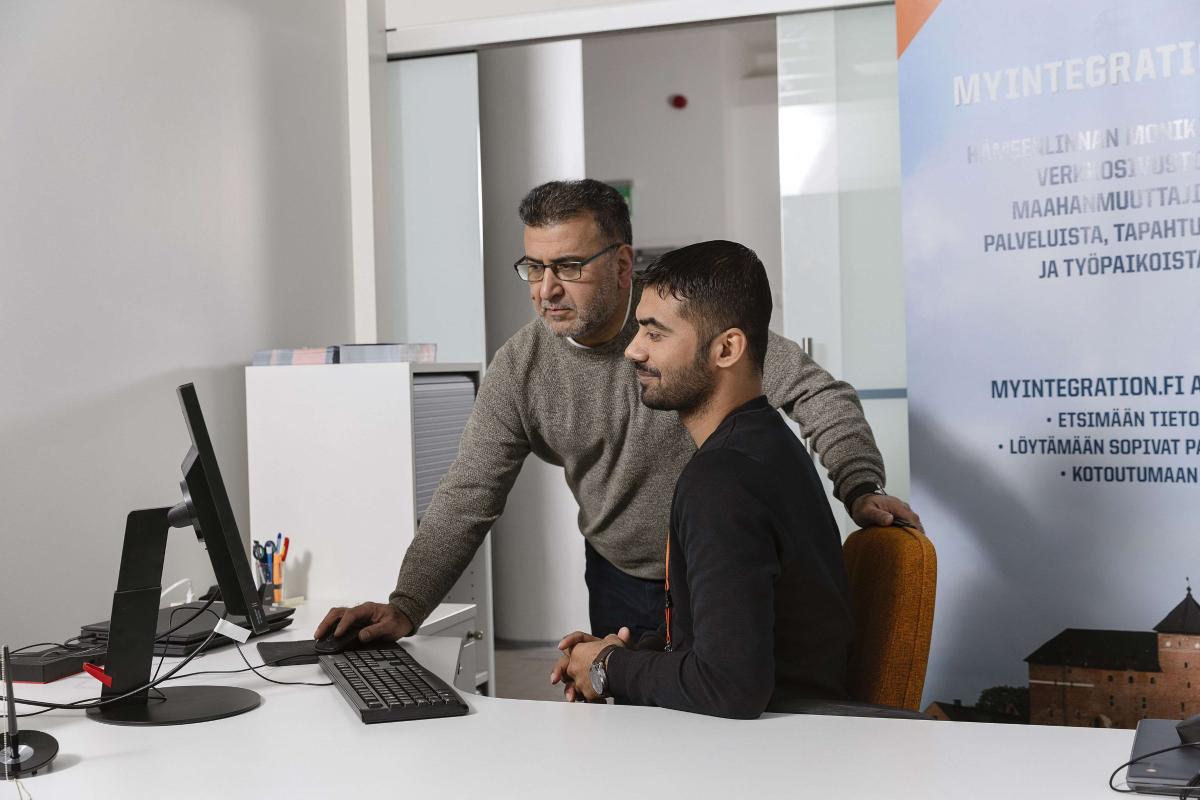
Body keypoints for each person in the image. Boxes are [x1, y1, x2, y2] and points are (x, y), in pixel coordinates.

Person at [315, 179, 917, 645]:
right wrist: (407, 604)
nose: (546, 289)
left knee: (736, 722)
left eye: (569, 267)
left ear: (623, 265)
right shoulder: (521, 369)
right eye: (534, 267)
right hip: (620, 577)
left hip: (730, 569)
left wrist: (859, 484)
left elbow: (818, 393)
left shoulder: (681, 322)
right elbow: (468, 493)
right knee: (633, 735)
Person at [550, 240, 853, 718]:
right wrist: (623, 654)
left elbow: (729, 685)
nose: (632, 350)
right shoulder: (766, 444)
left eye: (655, 334)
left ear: (726, 348)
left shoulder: (722, 481)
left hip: (773, 744)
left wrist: (609, 668)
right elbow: (728, 638)